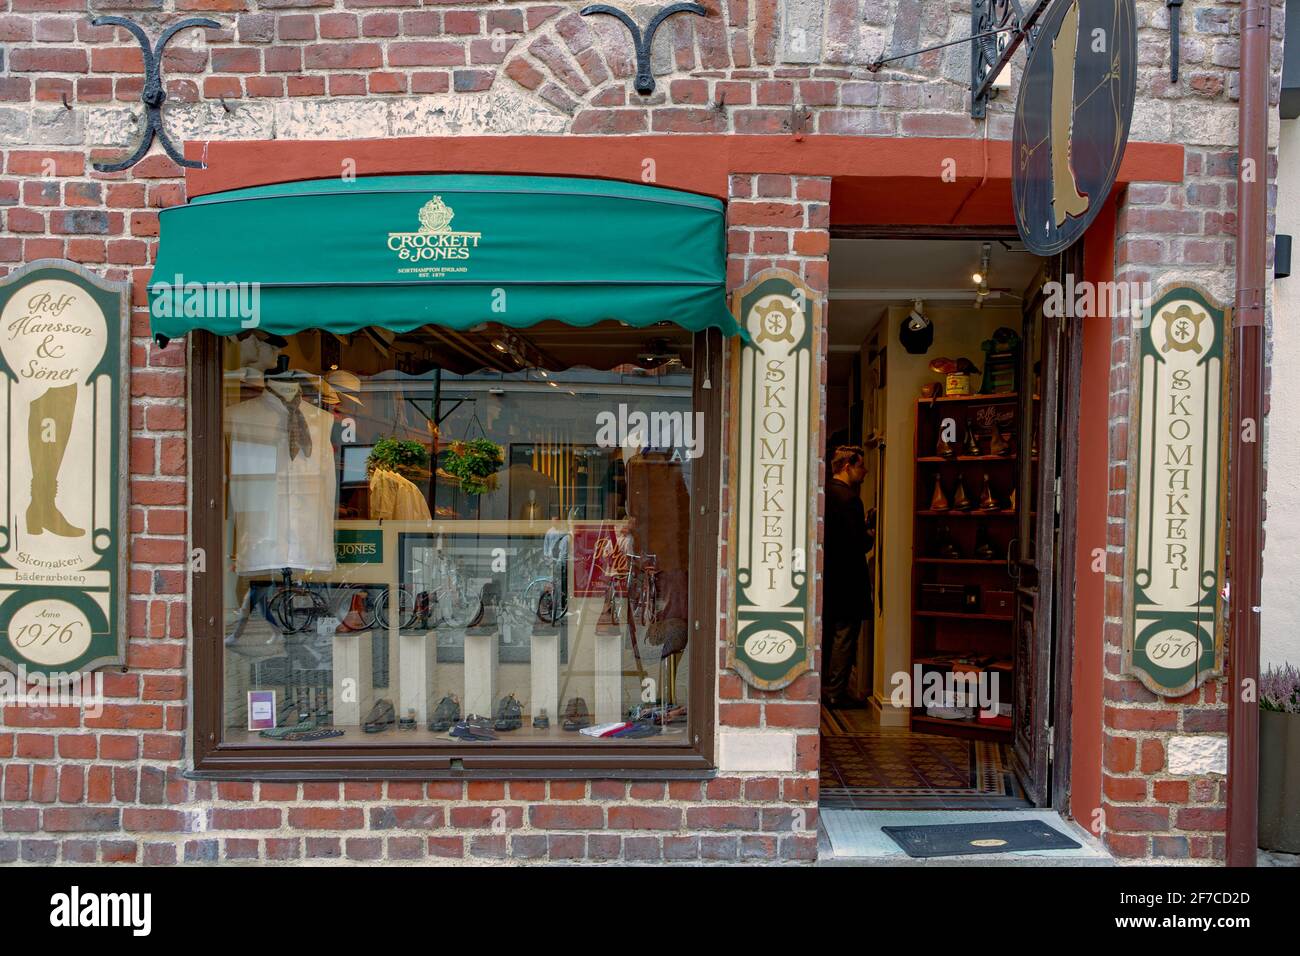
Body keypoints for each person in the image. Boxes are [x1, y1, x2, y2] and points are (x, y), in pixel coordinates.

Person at [823, 445, 872, 709]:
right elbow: (858, 543)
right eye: (861, 466)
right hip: (849, 578)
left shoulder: (824, 493)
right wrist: (870, 534)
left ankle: (824, 686)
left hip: (828, 576)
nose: (865, 471)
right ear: (847, 467)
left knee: (829, 633)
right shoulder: (850, 499)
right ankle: (835, 692)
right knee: (845, 635)